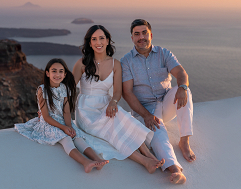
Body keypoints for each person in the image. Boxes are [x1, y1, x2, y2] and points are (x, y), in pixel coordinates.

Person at [73, 25, 165, 174]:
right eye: (94, 39)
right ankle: (144, 161)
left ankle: (148, 155)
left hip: (105, 104)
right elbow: (68, 89)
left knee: (121, 116)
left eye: (102, 38)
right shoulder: (82, 63)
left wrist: (113, 102)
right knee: (112, 126)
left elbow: (117, 92)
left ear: (108, 40)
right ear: (89, 43)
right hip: (86, 110)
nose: (98, 42)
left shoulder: (116, 64)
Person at [120, 19, 195, 184]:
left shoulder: (164, 53)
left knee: (184, 91)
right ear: (132, 38)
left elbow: (181, 73)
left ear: (151, 35)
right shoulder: (126, 61)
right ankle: (175, 170)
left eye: (144, 33)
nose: (141, 37)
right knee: (158, 135)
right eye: (137, 34)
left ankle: (184, 141)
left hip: (166, 100)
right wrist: (145, 115)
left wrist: (182, 87)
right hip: (145, 109)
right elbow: (127, 93)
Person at [15, 58, 109, 173]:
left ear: (64, 75)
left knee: (77, 137)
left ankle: (97, 159)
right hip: (48, 123)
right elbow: (46, 116)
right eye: (54, 71)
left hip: (63, 121)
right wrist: (64, 128)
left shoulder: (64, 88)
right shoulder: (42, 90)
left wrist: (69, 127)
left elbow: (66, 112)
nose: (57, 74)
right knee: (66, 139)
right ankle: (86, 162)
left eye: (61, 71)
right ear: (47, 73)